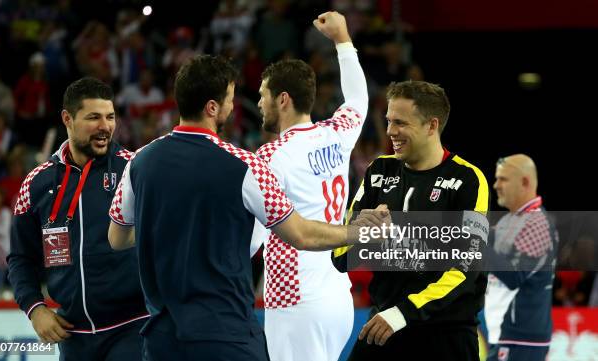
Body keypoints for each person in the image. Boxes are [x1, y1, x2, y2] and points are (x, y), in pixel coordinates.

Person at [107, 53, 384, 361]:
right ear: (212, 107)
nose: (236, 105)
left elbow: (117, 238)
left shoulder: (139, 160)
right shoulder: (249, 164)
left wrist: (168, 230)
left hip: (164, 333)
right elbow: (298, 235)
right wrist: (355, 232)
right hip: (235, 329)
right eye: (230, 99)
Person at [332, 80, 490, 361]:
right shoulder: (379, 170)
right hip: (383, 326)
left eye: (401, 123)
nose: (391, 131)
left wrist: (404, 312)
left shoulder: (468, 179)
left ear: (432, 125)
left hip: (446, 333)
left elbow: (466, 269)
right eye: (389, 121)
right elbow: (341, 256)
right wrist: (360, 233)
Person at [250, 11, 368, 361]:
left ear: (282, 99)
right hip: (337, 297)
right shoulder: (337, 133)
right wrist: (343, 41)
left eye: (262, 94)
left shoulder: (271, 155)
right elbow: (358, 100)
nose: (258, 102)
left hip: (294, 300)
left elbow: (254, 237)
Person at [7, 77, 148, 360]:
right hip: (73, 337)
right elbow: (21, 259)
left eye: (110, 117)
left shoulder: (135, 171)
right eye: (93, 117)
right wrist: (35, 308)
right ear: (67, 119)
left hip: (133, 328)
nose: (105, 126)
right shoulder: (36, 184)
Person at [485, 154, 557, 361]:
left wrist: (476, 243)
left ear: (524, 182)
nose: (495, 185)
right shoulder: (513, 220)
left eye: (503, 179)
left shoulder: (537, 224)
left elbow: (515, 275)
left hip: (521, 340)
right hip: (509, 336)